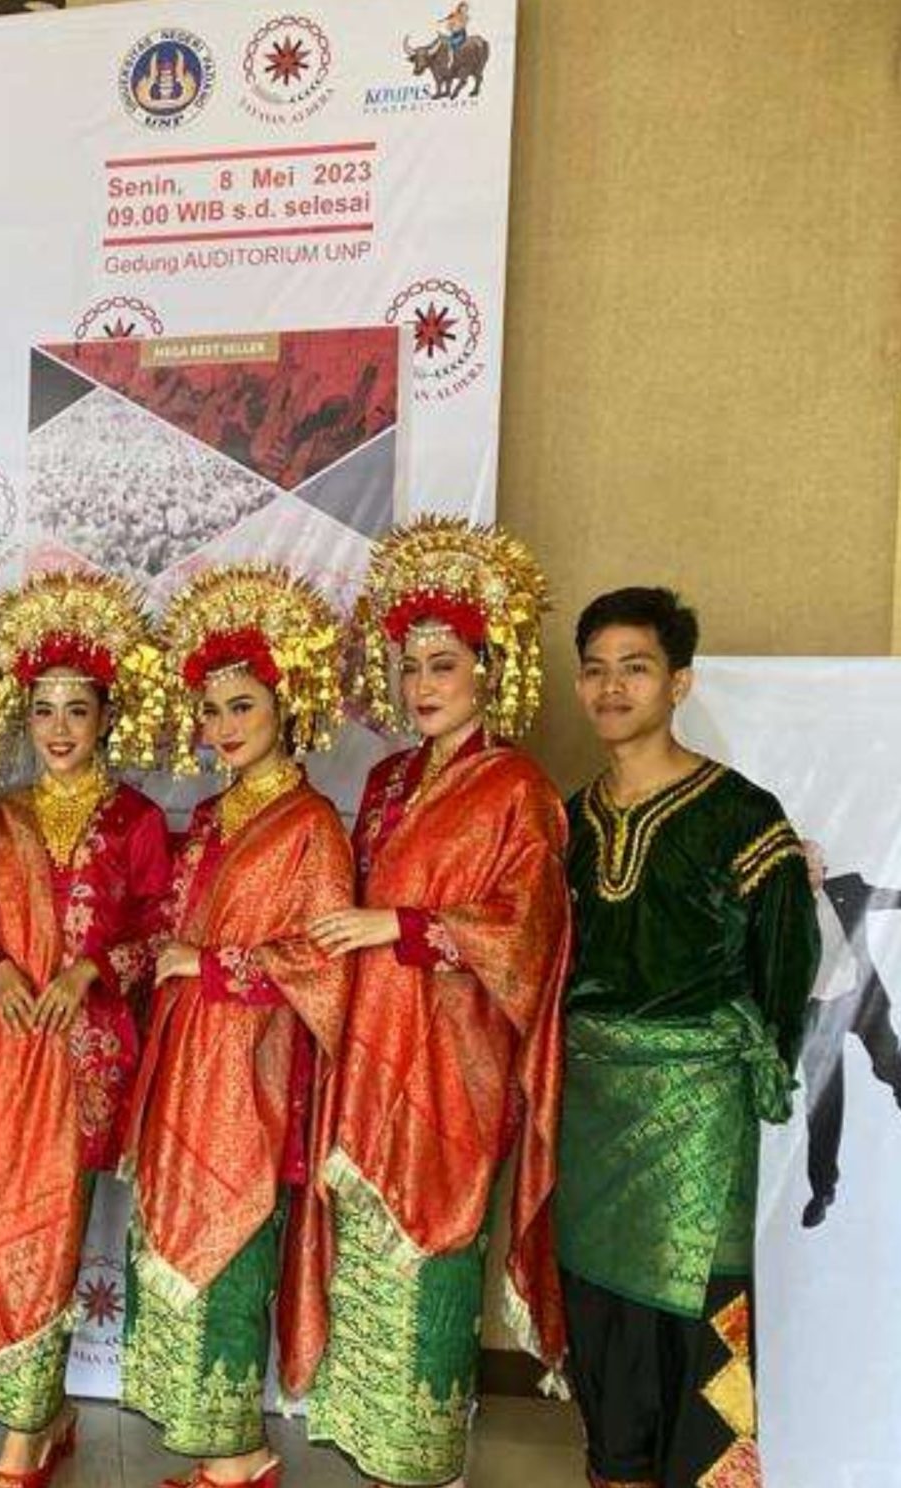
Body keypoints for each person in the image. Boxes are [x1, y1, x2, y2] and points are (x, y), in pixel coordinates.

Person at [289, 520, 570, 1488]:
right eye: (409, 669)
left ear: (488, 671)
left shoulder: (518, 789)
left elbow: (523, 934)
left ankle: (428, 1466)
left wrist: (400, 929)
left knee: (432, 1254)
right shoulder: (382, 784)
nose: (421, 687)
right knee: (365, 1255)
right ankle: (376, 1459)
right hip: (368, 1045)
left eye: (442, 665)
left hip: (452, 1061)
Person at [556, 587, 818, 1488]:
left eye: (636, 667)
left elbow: (787, 954)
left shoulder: (741, 814)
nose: (611, 687)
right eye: (594, 669)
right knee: (601, 1314)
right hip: (592, 1108)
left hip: (700, 1112)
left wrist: (748, 1058)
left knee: (697, 1320)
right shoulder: (568, 823)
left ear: (680, 683)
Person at [119, 563, 353, 1488]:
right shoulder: (212, 817)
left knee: (233, 1235)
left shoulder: (312, 827)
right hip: (184, 1053)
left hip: (251, 1062)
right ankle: (222, 1450)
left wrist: (214, 966)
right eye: (211, 710)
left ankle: (244, 1454)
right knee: (175, 1234)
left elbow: (325, 962)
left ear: (283, 709)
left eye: (242, 706)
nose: (222, 728)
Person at [0, 572, 175, 1488]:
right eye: (43, 710)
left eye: (78, 709)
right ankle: (45, 1407)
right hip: (3, 1048)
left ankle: (29, 1428)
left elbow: (163, 930)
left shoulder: (137, 820)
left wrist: (93, 967)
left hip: (86, 1054)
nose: (60, 728)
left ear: (106, 714)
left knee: (53, 1224)